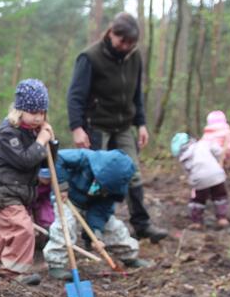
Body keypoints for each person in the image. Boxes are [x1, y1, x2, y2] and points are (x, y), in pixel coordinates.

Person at [67, 12, 168, 243]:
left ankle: (142, 225)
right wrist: (77, 127)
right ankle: (89, 231)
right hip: (97, 125)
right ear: (112, 33)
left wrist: (141, 123)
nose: (126, 47)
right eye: (123, 42)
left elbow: (136, 93)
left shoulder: (134, 57)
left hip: (123, 126)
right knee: (95, 177)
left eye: (131, 43)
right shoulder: (89, 57)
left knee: (131, 173)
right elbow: (75, 96)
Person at [0, 79, 56, 286]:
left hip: (20, 191)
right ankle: (12, 273)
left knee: (8, 230)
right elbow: (24, 160)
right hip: (3, 190)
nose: (38, 117)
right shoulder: (8, 133)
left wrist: (51, 142)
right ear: (19, 110)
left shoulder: (34, 132)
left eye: (42, 113)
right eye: (34, 112)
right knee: (23, 229)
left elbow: (47, 160)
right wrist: (40, 141)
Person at [44, 149, 151, 280]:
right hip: (67, 198)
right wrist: (62, 187)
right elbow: (58, 158)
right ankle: (56, 264)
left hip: (90, 205)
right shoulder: (84, 158)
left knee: (114, 228)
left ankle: (129, 256)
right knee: (65, 225)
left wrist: (96, 234)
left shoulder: (115, 189)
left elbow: (100, 211)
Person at [170, 132, 230, 229]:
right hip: (216, 175)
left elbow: (189, 172)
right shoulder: (203, 144)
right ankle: (222, 218)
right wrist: (219, 159)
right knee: (220, 196)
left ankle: (197, 221)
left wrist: (193, 184)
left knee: (198, 200)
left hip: (199, 179)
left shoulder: (183, 158)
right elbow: (218, 151)